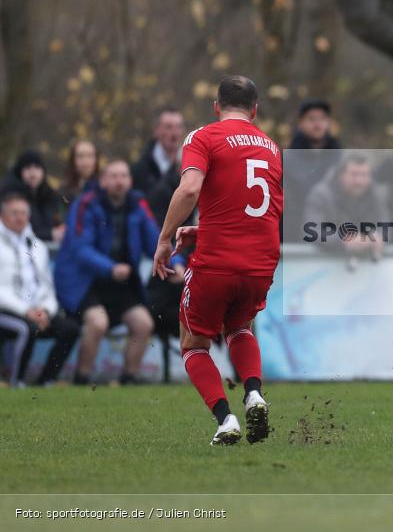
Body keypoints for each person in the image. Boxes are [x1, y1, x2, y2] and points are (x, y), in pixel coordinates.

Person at [152, 75, 283, 446]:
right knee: (241, 325)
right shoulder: (272, 147)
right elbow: (258, 207)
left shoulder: (203, 137)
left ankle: (226, 420)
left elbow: (190, 188)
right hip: (260, 260)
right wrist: (202, 229)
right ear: (255, 110)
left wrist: (165, 238)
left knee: (194, 343)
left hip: (218, 261)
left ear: (216, 106)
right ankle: (254, 393)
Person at [54, 160, 170, 385]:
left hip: (120, 282)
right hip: (86, 281)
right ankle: (82, 378)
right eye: (114, 176)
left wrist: (176, 262)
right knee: (98, 323)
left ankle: (129, 377)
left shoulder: (137, 204)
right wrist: (110, 268)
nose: (119, 181)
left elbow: (156, 240)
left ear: (130, 180)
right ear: (104, 181)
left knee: (143, 324)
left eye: (124, 176)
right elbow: (80, 249)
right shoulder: (85, 204)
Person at [131, 107, 193, 375]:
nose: (172, 133)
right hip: (156, 254)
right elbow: (149, 219)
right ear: (157, 130)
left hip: (184, 255)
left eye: (176, 127)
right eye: (166, 127)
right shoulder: (141, 169)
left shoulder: (192, 163)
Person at [0, 192, 79, 386]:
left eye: (23, 213)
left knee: (70, 329)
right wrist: (26, 311)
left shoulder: (38, 246)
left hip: (37, 311)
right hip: (7, 311)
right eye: (14, 213)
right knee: (27, 329)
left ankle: (46, 381)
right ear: (2, 216)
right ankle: (16, 381)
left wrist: (45, 310)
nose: (19, 217)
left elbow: (46, 286)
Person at [303, 154, 388, 258]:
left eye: (364, 175)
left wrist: (377, 237)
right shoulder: (321, 195)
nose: (359, 181)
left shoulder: (377, 195)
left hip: (369, 264)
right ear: (341, 175)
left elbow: (387, 227)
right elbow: (312, 230)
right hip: (327, 263)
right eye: (354, 174)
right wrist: (343, 240)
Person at [287, 99, 342, 217]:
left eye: (322, 119)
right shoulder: (287, 159)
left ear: (328, 122)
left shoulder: (339, 157)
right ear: (301, 123)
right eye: (311, 119)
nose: (317, 124)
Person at [2, 150, 65, 242]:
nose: (33, 173)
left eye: (37, 167)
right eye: (27, 167)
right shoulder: (9, 196)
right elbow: (15, 228)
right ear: (20, 171)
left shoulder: (50, 195)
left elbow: (56, 222)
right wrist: (49, 234)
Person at [60, 139, 99, 205]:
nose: (85, 162)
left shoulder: (104, 188)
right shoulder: (63, 191)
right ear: (72, 160)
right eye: (80, 156)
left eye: (90, 155)